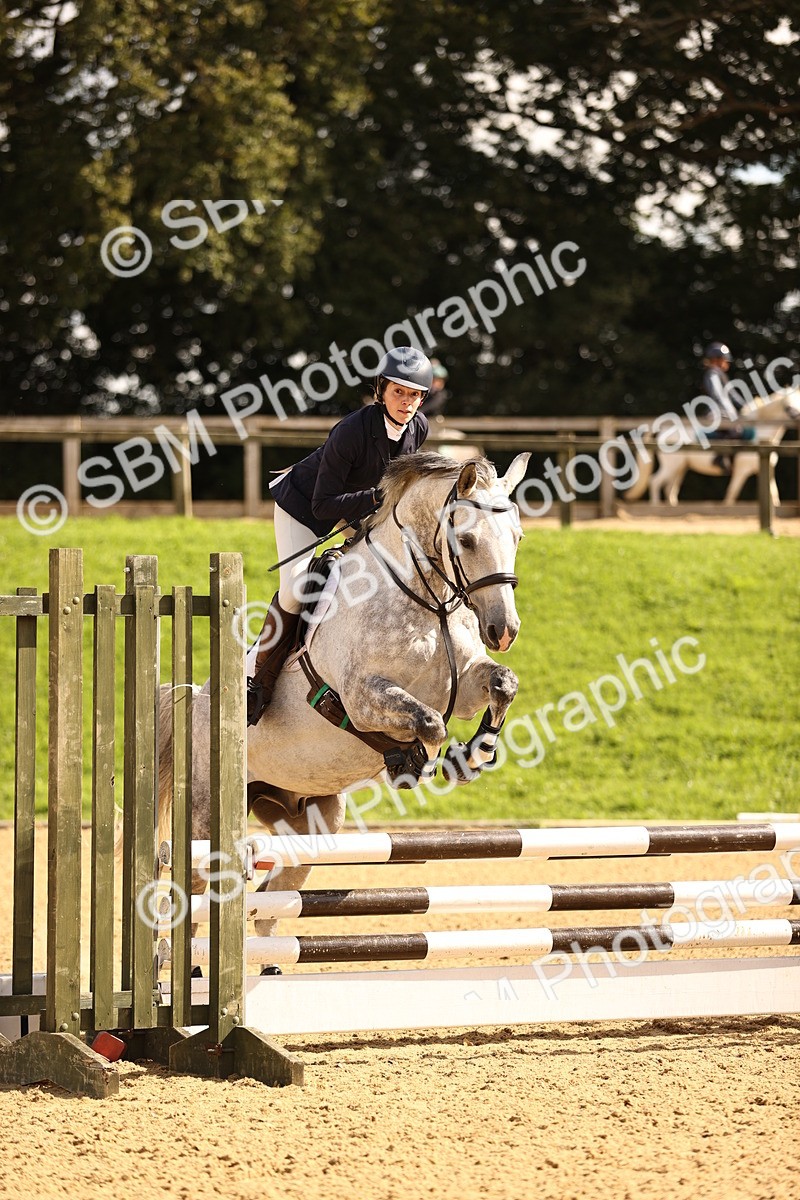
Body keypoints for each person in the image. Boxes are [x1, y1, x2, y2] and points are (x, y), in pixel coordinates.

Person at [248, 345, 433, 725]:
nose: (407, 402)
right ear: (381, 390)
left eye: (414, 394)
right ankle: (259, 679)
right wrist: (376, 498)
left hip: (357, 508)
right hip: (304, 506)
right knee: (296, 590)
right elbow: (323, 506)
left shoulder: (419, 428)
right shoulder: (351, 430)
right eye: (399, 391)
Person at [701, 341, 756, 471]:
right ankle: (720, 456)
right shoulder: (712, 374)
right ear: (717, 359)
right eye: (725, 360)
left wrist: (748, 406)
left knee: (739, 426)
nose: (727, 363)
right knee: (735, 429)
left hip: (724, 411)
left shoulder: (720, 375)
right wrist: (730, 411)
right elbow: (717, 395)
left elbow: (732, 395)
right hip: (715, 412)